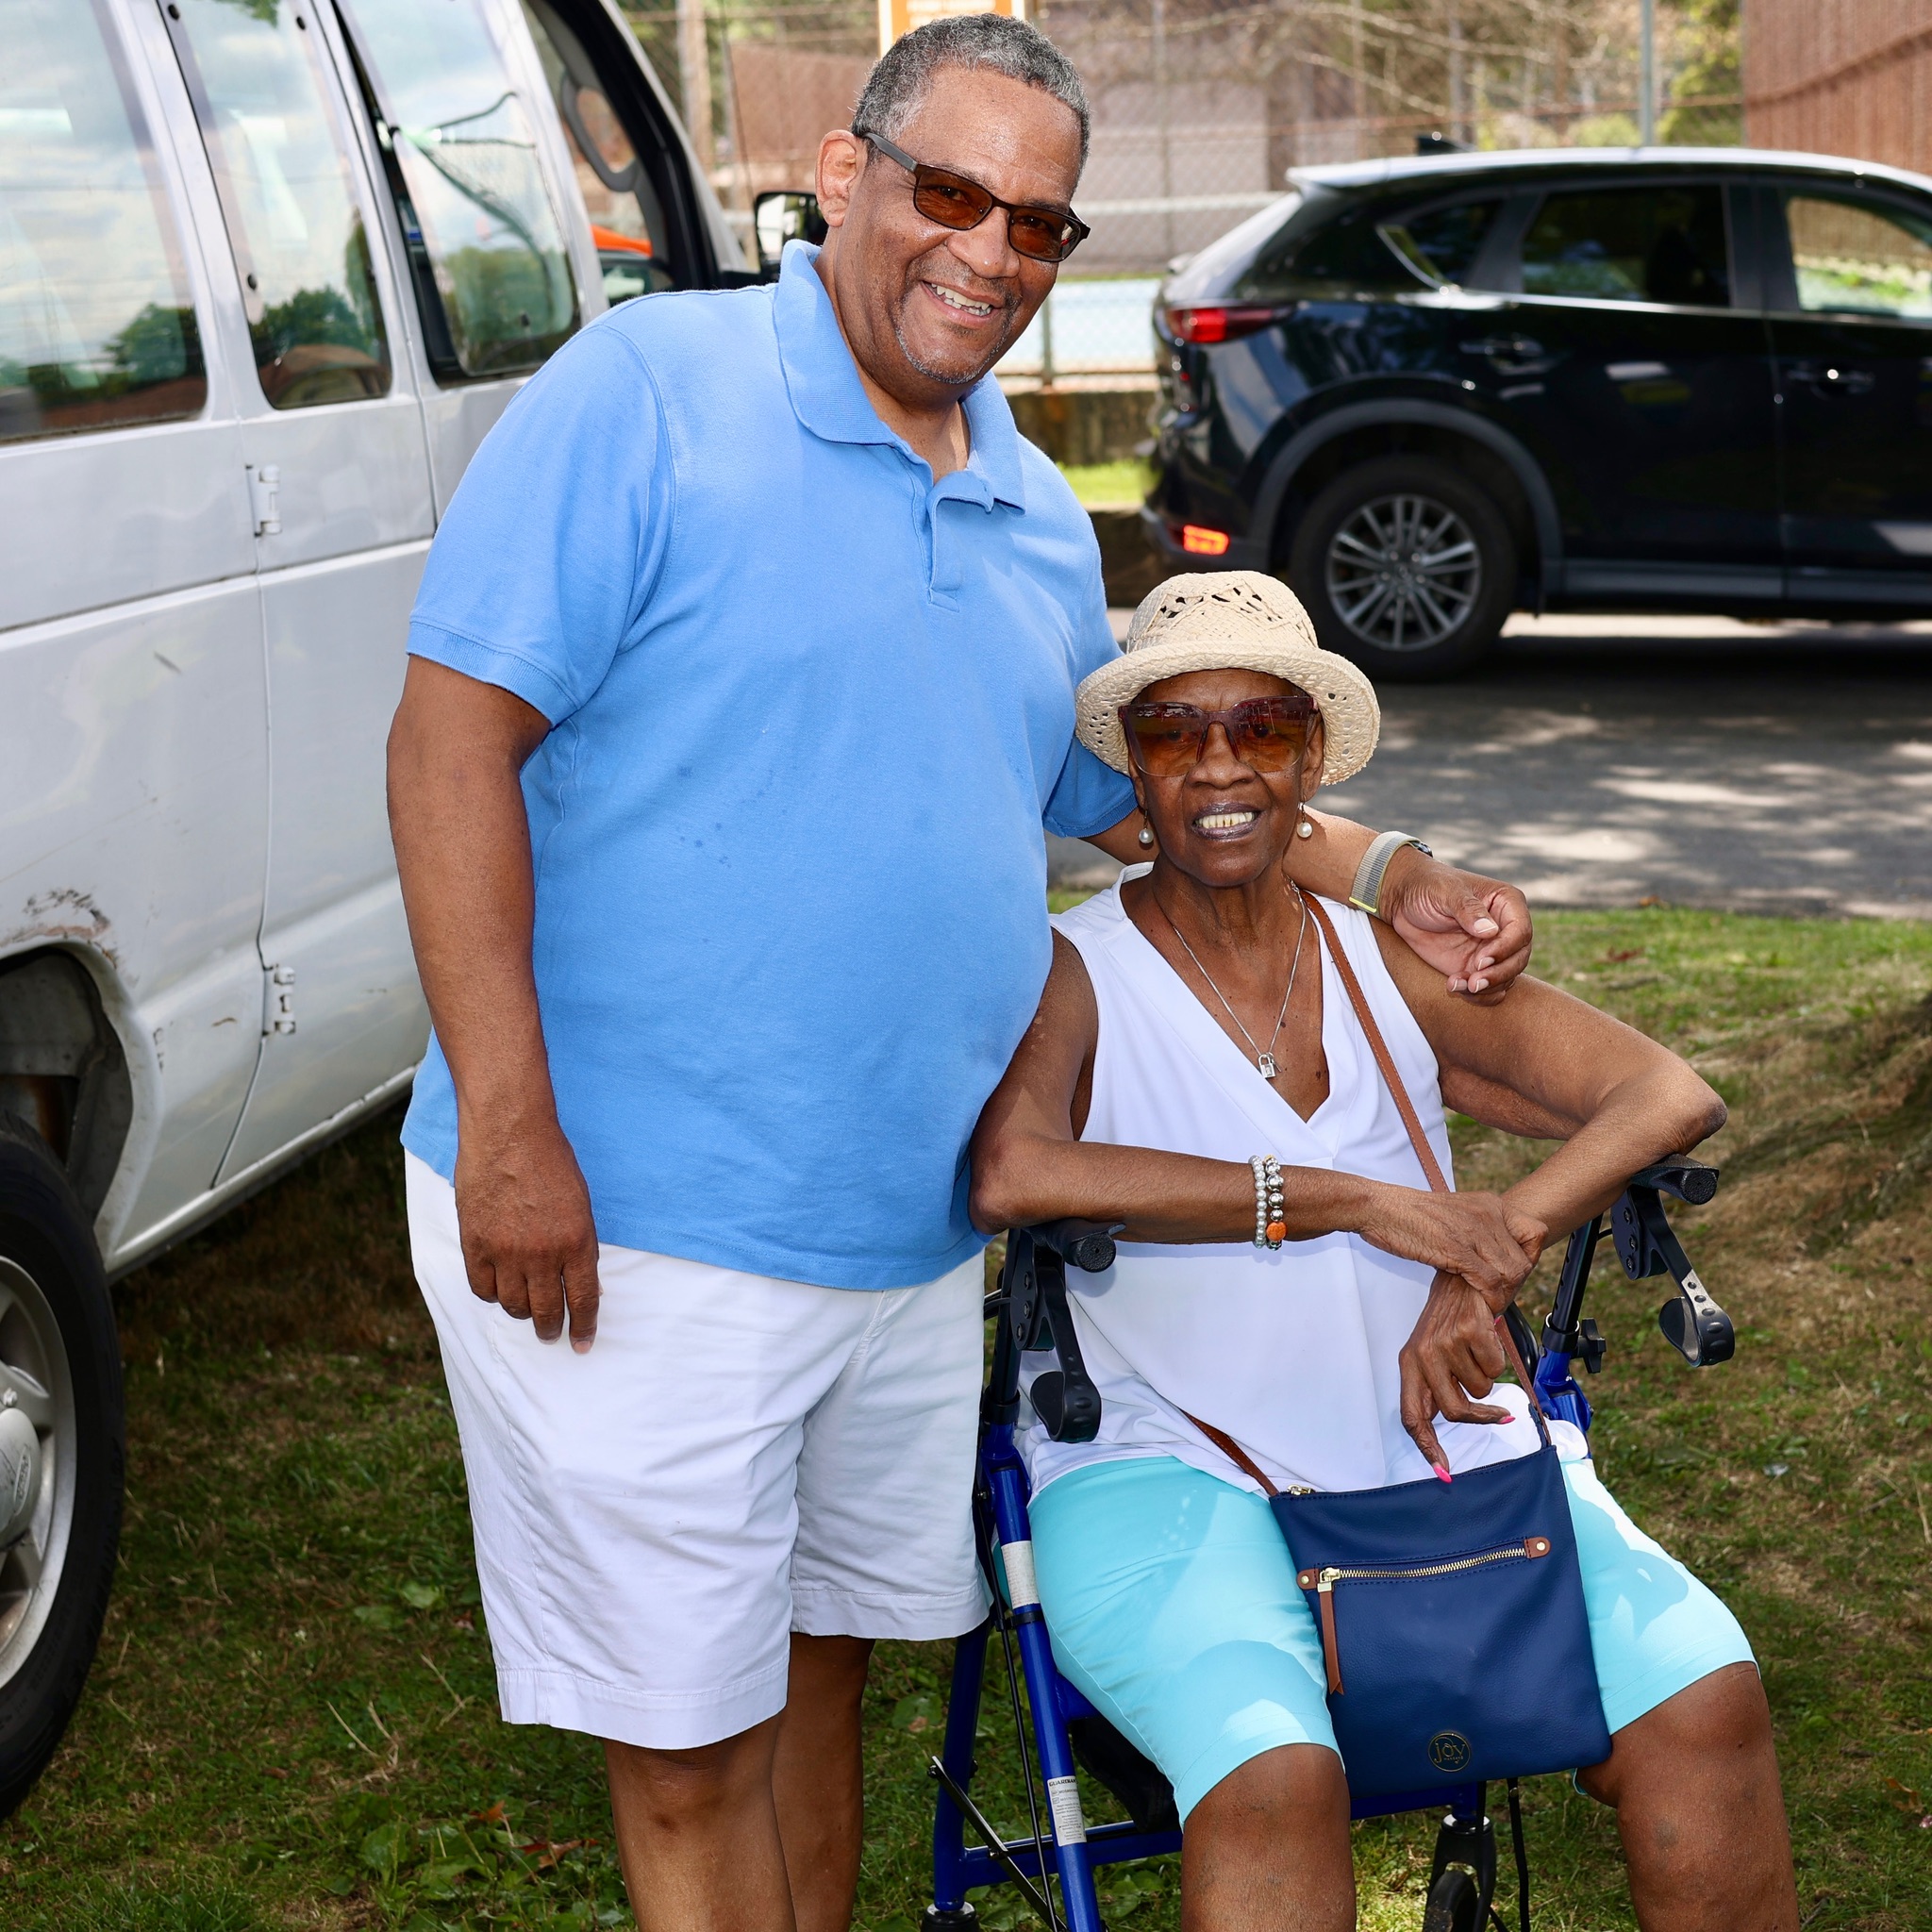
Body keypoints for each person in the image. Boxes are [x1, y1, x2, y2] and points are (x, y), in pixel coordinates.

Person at [386, 22, 1541, 1932]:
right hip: (632, 1219)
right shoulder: (651, 389)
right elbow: (449, 745)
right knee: (686, 1748)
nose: (991, 251)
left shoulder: (1023, 498)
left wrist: (1398, 872)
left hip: (909, 1236)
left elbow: (1130, 796)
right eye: (950, 192)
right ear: (842, 177)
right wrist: (509, 1125)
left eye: (1038, 223)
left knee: (824, 1672)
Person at [970, 571, 1801, 1932]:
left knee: (1704, 1699)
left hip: (1435, 1444)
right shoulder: (1075, 967)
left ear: (1311, 761)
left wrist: (1485, 1250)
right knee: (1273, 1777)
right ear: (1135, 767)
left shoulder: (1381, 960)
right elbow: (1016, 1171)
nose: (1220, 765)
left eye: (1260, 727)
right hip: (1167, 1459)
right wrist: (1350, 1201)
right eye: (1175, 731)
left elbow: (1665, 1091)